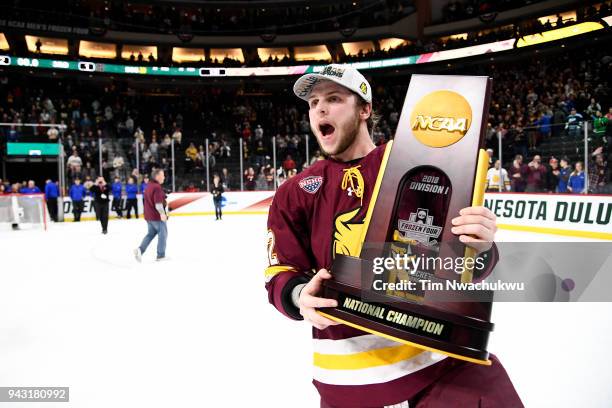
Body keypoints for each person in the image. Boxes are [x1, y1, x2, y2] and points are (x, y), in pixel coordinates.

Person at [264, 64, 522, 407]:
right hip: (347, 378)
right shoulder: (295, 192)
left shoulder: (417, 163)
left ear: (365, 109)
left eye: (334, 99)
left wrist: (480, 247)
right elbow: (281, 271)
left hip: (436, 355)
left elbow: (456, 261)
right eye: (313, 103)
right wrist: (299, 296)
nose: (320, 109)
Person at [134, 169, 168, 262]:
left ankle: (140, 250)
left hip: (149, 216)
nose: (164, 177)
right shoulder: (157, 187)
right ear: (157, 176)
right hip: (156, 216)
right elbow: (158, 204)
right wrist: (162, 214)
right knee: (163, 234)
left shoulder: (149, 185)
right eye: (163, 175)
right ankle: (161, 255)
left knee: (150, 234)